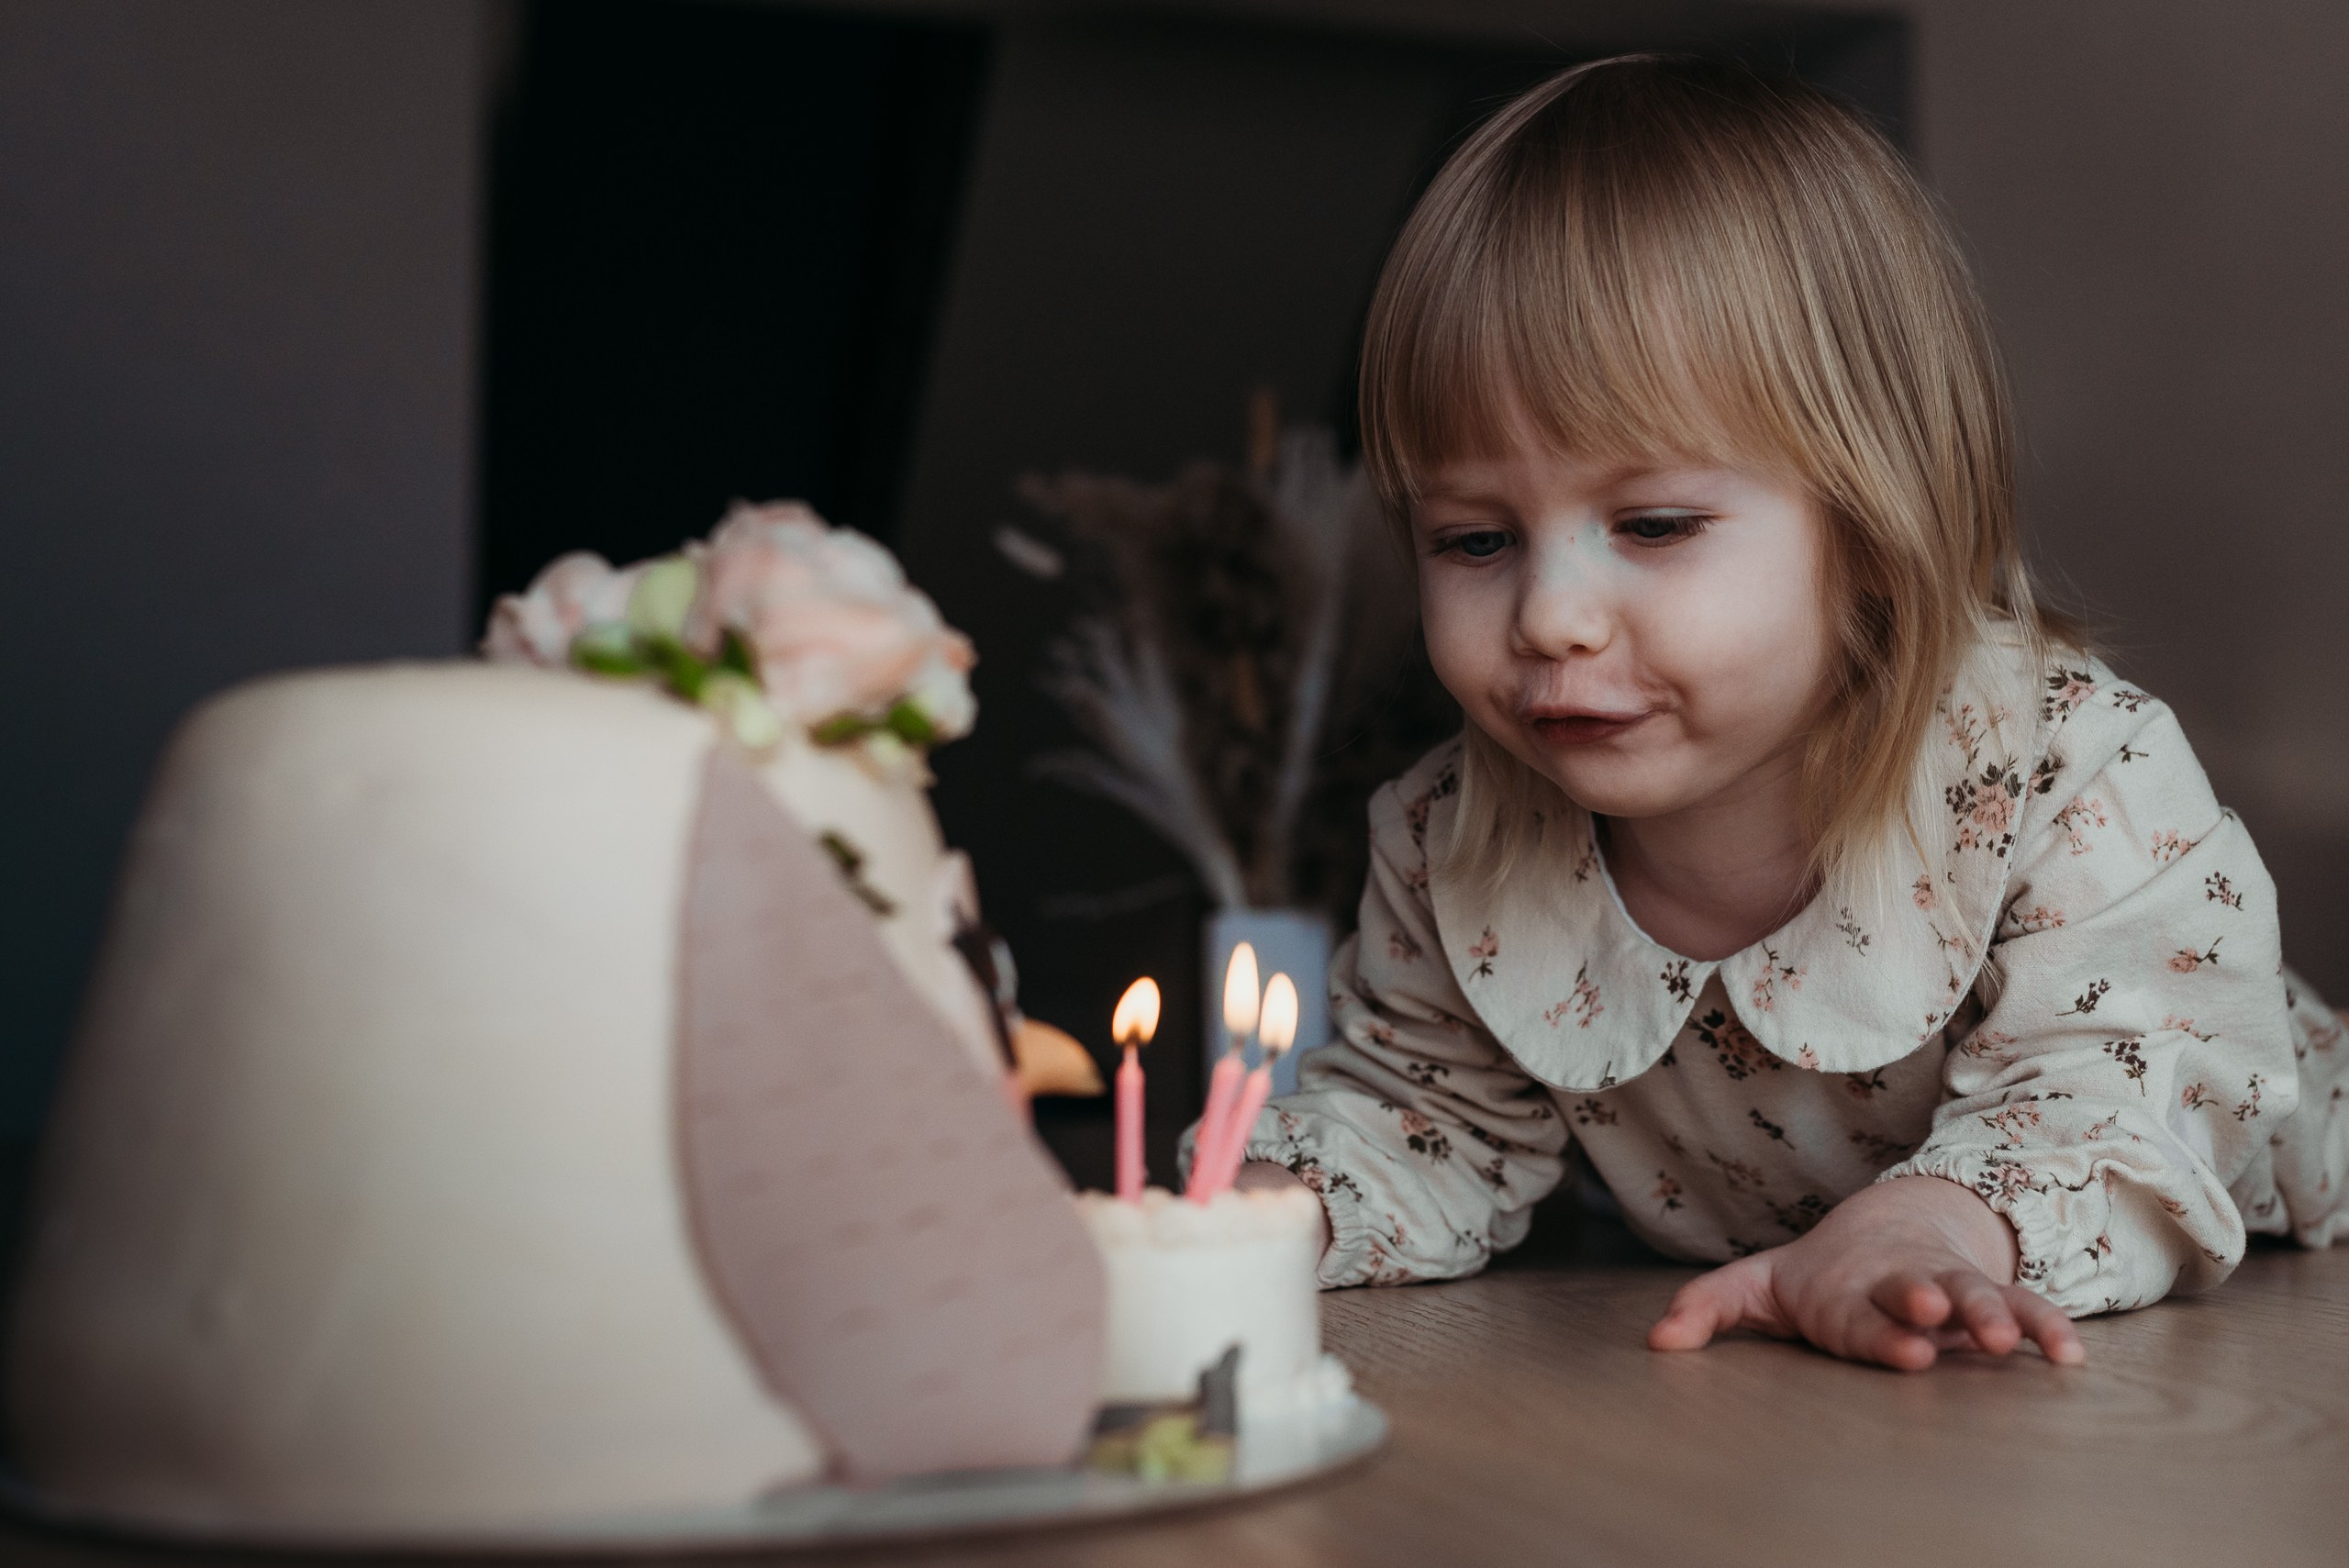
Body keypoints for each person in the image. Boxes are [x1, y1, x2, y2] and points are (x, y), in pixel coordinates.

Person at [1220, 54, 2349, 1373]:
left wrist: (1928, 1227)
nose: (1548, 617)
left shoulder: (2059, 769)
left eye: (1652, 524)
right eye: (1474, 540)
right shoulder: (1452, 838)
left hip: (2267, 1288)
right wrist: (1245, 1218)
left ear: (1872, 532)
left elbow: (2130, 1093)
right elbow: (1424, 1119)